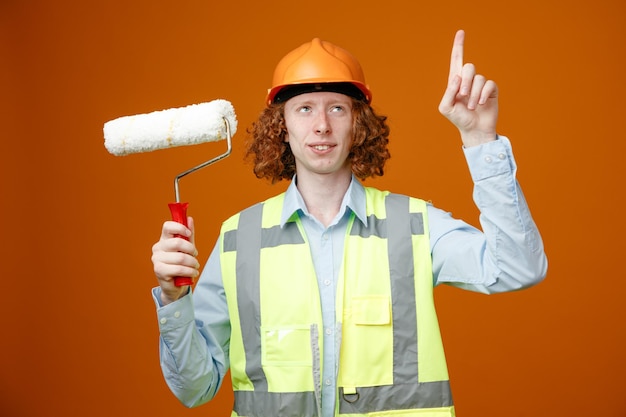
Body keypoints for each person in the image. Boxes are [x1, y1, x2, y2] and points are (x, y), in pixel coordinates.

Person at [151, 30, 548, 417]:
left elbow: (518, 266)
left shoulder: (413, 225)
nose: (321, 125)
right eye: (304, 108)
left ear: (358, 124)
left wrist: (481, 140)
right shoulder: (239, 239)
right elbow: (194, 388)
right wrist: (173, 300)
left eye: (337, 108)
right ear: (282, 127)